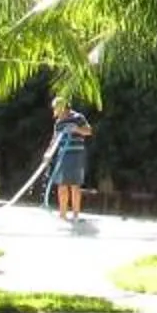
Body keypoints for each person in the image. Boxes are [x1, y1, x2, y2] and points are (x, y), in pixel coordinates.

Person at [47, 95, 96, 225]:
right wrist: (48, 153)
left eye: (56, 109)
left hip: (76, 155)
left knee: (75, 185)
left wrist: (77, 129)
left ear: (63, 108)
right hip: (62, 156)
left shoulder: (78, 117)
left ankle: (75, 215)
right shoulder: (58, 122)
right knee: (62, 185)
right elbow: (54, 140)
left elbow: (89, 131)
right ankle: (63, 214)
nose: (55, 112)